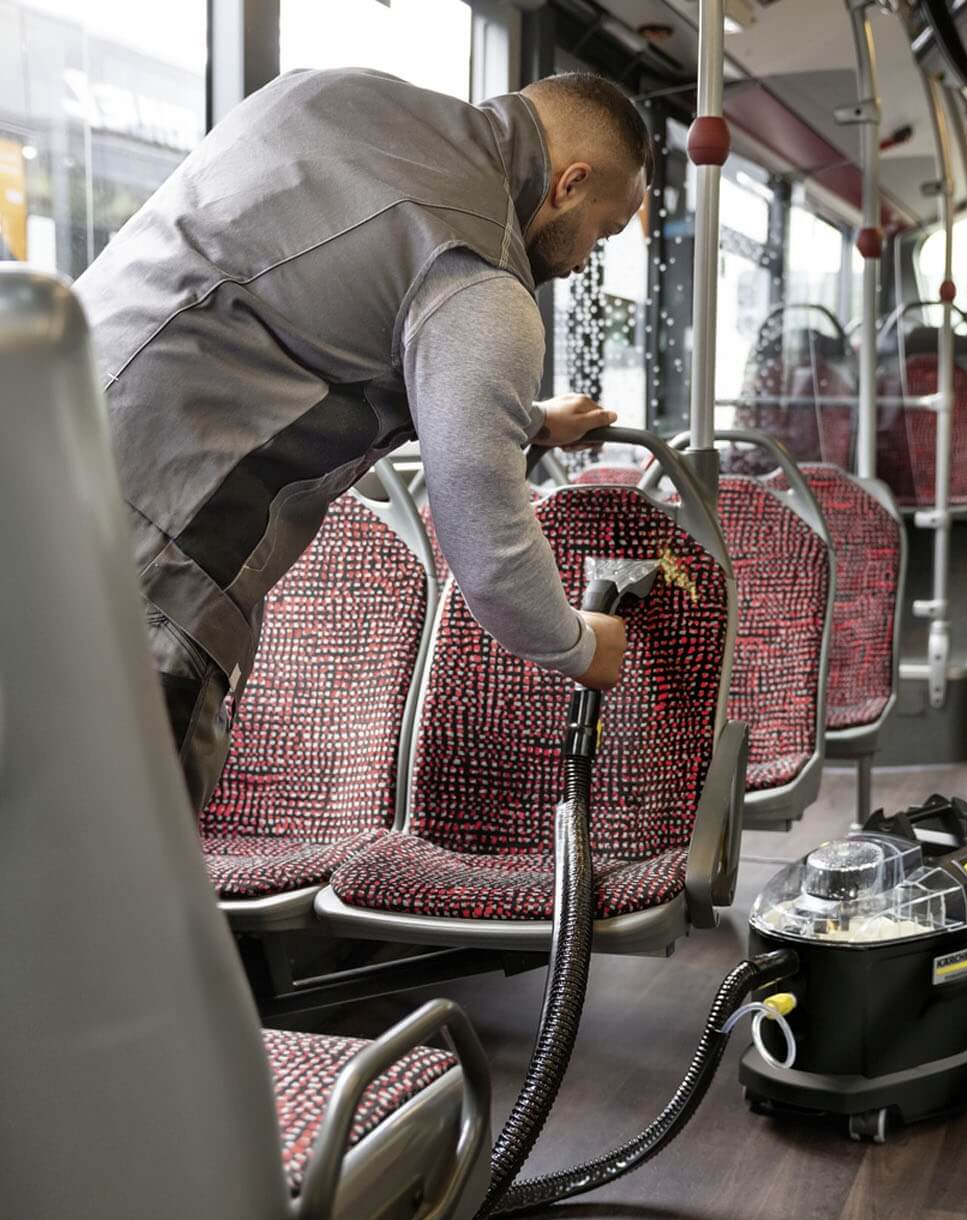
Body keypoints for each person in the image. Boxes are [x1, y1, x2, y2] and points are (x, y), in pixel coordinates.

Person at [73, 69, 652, 812]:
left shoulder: (325, 96)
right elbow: (487, 541)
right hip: (150, 561)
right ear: (570, 184)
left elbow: (297, 318)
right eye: (604, 232)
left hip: (20, 457)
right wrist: (579, 644)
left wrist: (535, 419)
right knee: (124, 865)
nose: (580, 264)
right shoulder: (481, 274)